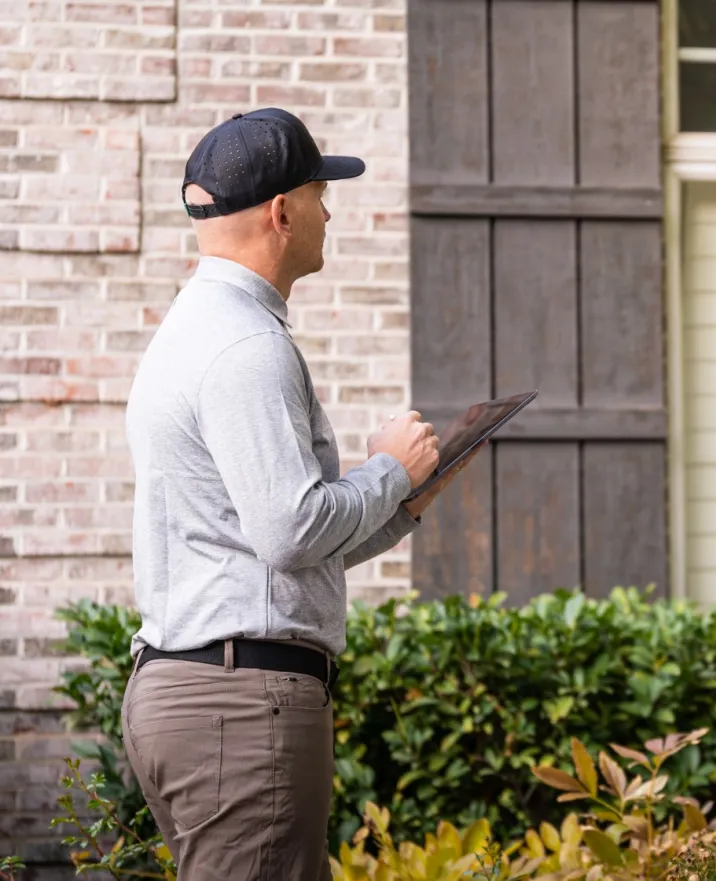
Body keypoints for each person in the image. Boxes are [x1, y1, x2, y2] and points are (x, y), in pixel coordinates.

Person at [121, 107, 476, 881]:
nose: (329, 211)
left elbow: (271, 551)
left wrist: (405, 500)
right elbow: (290, 530)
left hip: (203, 690)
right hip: (241, 706)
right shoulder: (248, 347)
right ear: (282, 212)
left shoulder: (198, 326)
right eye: (320, 193)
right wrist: (386, 469)